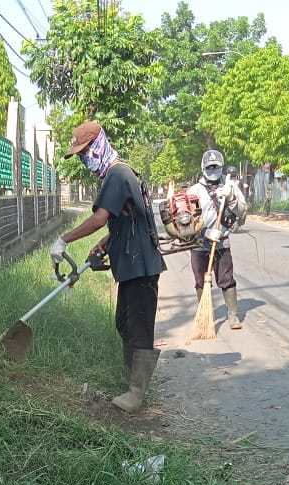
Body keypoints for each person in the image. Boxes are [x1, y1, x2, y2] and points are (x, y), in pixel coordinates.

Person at [50, 121, 167, 413]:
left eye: (84, 151)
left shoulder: (117, 174)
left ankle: (136, 394)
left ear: (98, 145)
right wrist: (106, 241)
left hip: (141, 265)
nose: (83, 158)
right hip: (131, 262)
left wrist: (63, 239)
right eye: (79, 154)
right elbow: (127, 220)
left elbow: (100, 217)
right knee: (124, 322)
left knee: (139, 327)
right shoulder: (119, 173)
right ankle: (131, 382)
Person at [187, 150, 244, 329]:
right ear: (203, 167)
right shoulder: (194, 191)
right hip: (199, 243)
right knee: (200, 280)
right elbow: (187, 221)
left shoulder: (230, 187)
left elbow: (242, 213)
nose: (213, 170)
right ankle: (205, 315)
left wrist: (231, 197)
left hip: (222, 241)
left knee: (226, 278)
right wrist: (204, 232)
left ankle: (233, 315)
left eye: (216, 166)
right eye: (210, 167)